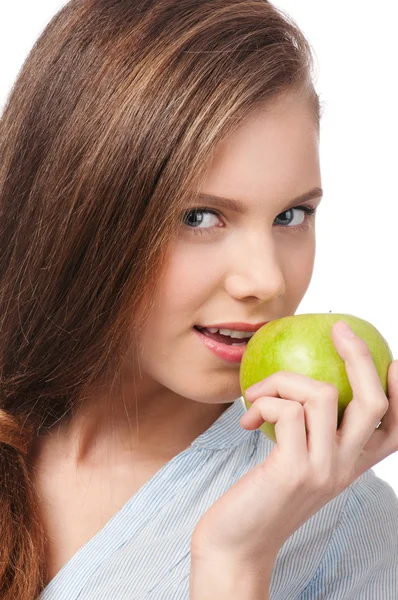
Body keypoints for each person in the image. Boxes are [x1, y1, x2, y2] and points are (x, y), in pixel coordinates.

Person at [0, 0, 397, 598]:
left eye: (292, 215)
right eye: (200, 216)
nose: (265, 280)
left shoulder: (344, 523)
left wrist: (235, 564)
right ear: (75, 213)